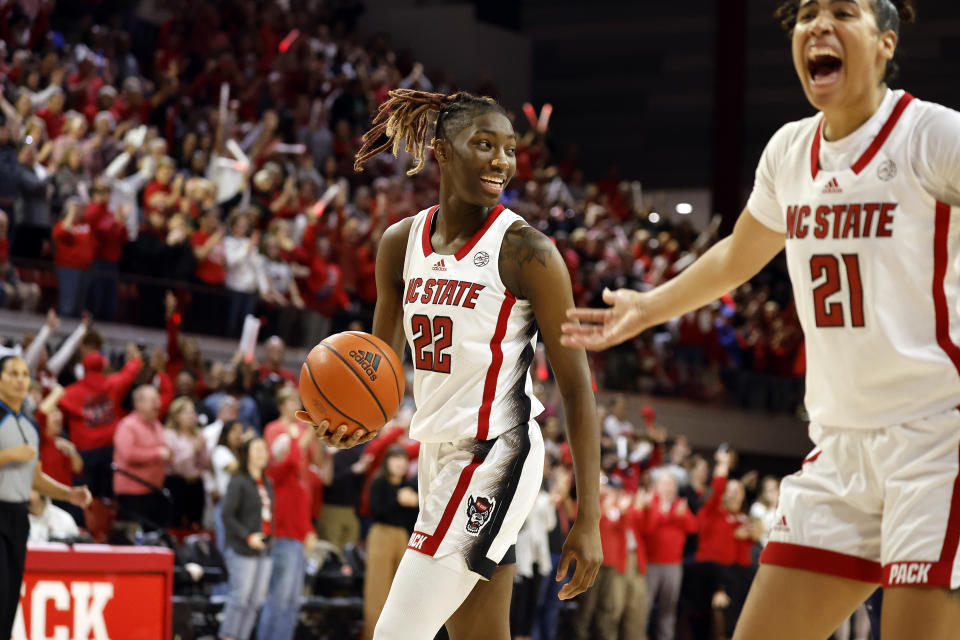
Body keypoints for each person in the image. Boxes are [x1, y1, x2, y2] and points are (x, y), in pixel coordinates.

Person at [561, 3, 960, 636]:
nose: (817, 26)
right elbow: (736, 255)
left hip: (938, 442)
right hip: (839, 447)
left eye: (841, 12)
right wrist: (648, 307)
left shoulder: (932, 136)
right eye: (805, 14)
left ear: (886, 44)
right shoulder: (789, 151)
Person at [301, 88, 602, 640]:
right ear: (441, 149)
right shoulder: (400, 243)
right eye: (484, 144)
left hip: (497, 453)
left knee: (396, 634)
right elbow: (379, 369)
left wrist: (590, 518)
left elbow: (579, 392)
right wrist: (351, 425)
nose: (501, 161)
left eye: (509, 149)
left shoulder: (528, 252)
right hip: (437, 452)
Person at [0, 354, 92, 639]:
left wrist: (69, 493)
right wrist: (10, 455)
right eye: (13, 373)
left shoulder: (31, 425)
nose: (20, 380)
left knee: (8, 604)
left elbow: (35, 478)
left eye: (25, 374)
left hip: (18, 516)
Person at [257, 387, 318, 640]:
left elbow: (308, 472)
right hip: (281, 524)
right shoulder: (274, 430)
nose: (294, 404)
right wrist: (303, 436)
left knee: (293, 601)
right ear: (281, 405)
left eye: (297, 400)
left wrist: (309, 528)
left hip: (299, 522)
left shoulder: (301, 432)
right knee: (279, 598)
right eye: (290, 400)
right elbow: (284, 462)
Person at [219, 437, 274, 640]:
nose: (262, 453)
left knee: (255, 602)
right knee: (239, 599)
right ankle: (228, 636)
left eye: (264, 449)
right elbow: (227, 515)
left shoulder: (267, 483)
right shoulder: (239, 481)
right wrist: (247, 536)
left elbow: (270, 516)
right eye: (257, 449)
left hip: (264, 550)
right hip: (242, 549)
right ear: (247, 454)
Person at [363, 446, 419, 640]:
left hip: (403, 538)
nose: (400, 463)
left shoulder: (409, 487)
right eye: (396, 458)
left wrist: (414, 502)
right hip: (381, 535)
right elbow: (376, 511)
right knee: (377, 592)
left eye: (403, 460)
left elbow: (413, 519)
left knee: (399, 594)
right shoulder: (379, 482)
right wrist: (399, 500)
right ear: (387, 461)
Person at [112, 385, 171, 529]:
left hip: (154, 491)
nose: (157, 404)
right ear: (139, 403)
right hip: (133, 494)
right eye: (152, 400)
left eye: (157, 400)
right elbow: (128, 454)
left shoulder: (157, 425)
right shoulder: (127, 425)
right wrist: (157, 453)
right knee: (133, 538)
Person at [163, 396, 210, 529]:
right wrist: (193, 450)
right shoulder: (169, 435)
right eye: (187, 412)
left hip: (196, 483)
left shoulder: (198, 435)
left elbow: (205, 464)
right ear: (176, 415)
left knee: (196, 523)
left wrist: (203, 448)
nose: (191, 416)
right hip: (176, 483)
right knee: (175, 523)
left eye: (192, 412)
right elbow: (174, 463)